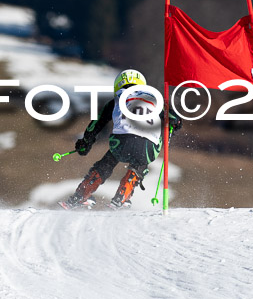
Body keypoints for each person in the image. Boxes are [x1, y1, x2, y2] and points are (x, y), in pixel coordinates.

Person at [59, 69, 182, 210]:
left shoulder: (116, 100)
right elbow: (175, 120)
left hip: (120, 142)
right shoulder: (155, 101)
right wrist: (174, 123)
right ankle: (121, 198)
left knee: (107, 162)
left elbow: (96, 124)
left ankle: (80, 196)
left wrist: (85, 143)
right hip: (148, 146)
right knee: (140, 163)